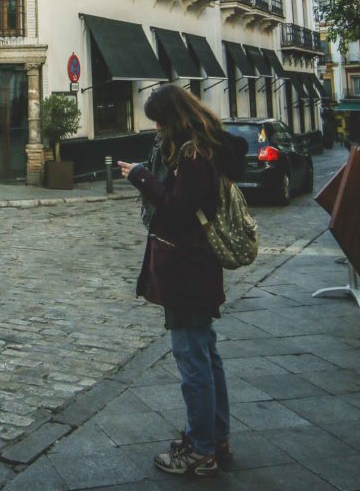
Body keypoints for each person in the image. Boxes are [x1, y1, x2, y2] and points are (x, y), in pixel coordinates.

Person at [118, 85, 246, 479]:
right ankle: (214, 437)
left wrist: (141, 176)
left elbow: (177, 210)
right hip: (195, 270)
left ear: (173, 118)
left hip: (187, 270)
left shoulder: (192, 156)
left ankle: (201, 450)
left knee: (193, 360)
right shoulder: (200, 149)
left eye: (159, 120)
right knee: (206, 355)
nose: (156, 128)